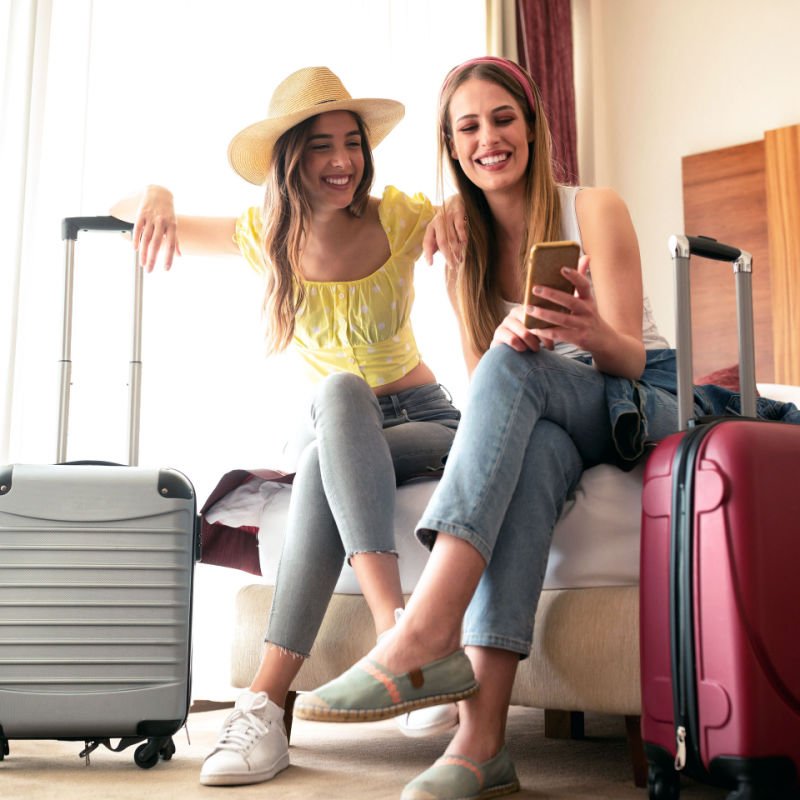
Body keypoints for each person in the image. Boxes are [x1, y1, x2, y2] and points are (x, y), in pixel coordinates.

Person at [289, 56, 796, 800]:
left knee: (520, 375)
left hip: (641, 389)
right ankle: (481, 745)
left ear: (532, 126)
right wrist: (508, 345)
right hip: (555, 412)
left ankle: (426, 632)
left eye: (503, 119)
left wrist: (585, 332)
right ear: (453, 146)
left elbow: (631, 349)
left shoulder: (593, 207)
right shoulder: (461, 247)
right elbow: (483, 395)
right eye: (469, 127)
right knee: (530, 452)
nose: (489, 138)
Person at [111, 66, 466, 787]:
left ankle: (274, 699)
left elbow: (475, 212)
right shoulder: (263, 233)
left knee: (323, 464)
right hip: (338, 430)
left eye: (352, 144)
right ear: (290, 160)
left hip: (427, 422)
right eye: (320, 147)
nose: (342, 162)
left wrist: (460, 203)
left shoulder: (397, 217)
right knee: (335, 399)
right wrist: (155, 193)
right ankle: (395, 636)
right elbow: (130, 212)